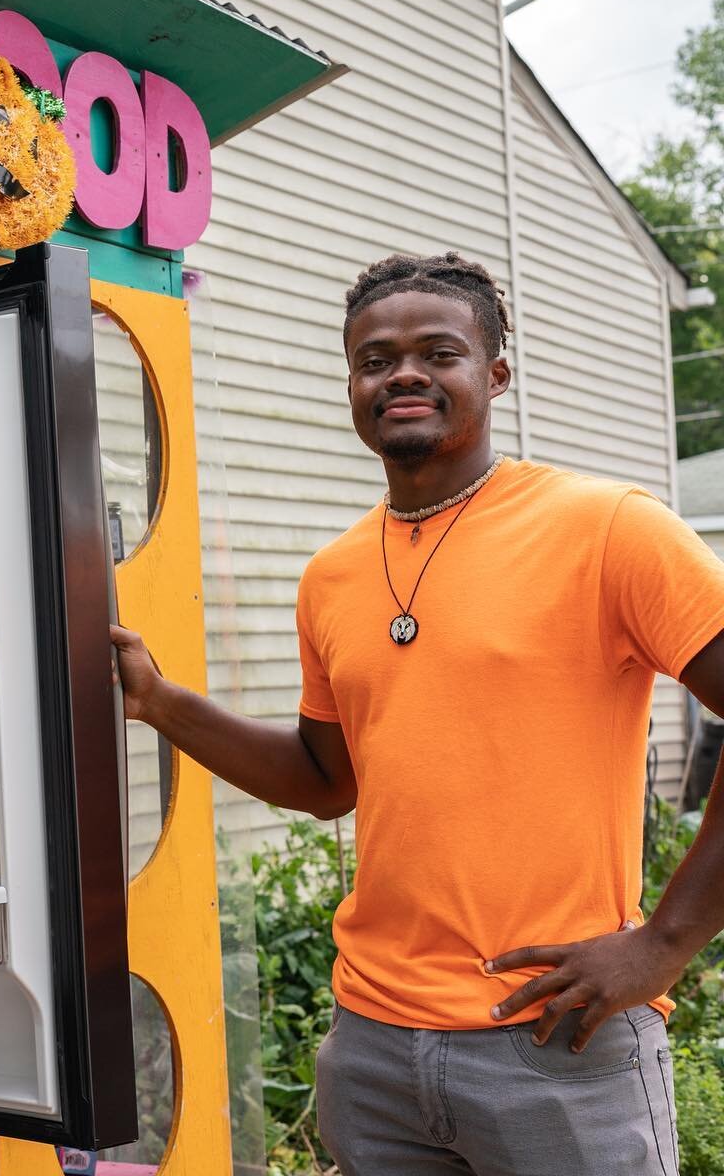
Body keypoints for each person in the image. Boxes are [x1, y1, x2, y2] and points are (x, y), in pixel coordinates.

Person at [112, 251, 724, 1176]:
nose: (402, 373)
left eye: (439, 352)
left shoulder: (608, 529)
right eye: (374, 359)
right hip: (374, 1048)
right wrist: (159, 702)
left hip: (550, 1033)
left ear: (495, 375)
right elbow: (325, 782)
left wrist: (664, 945)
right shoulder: (334, 576)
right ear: (353, 386)